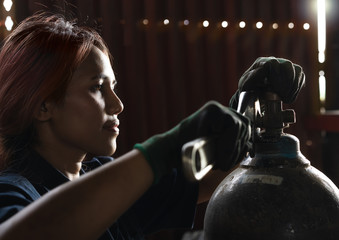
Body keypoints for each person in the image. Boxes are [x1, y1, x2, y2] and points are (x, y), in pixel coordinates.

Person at [0, 12, 304, 240]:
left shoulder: (101, 179)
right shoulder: (12, 189)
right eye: (96, 88)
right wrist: (162, 151)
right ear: (43, 105)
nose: (117, 105)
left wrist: (245, 108)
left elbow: (208, 179)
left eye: (113, 87)